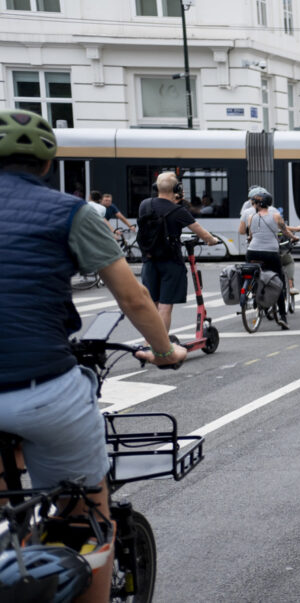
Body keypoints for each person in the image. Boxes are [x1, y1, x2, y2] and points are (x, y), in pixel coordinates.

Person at [0, 109, 186, 603]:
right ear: (48, 164)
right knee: (84, 514)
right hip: (42, 387)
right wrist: (164, 351)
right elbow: (133, 298)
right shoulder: (72, 212)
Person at [138, 172, 218, 330]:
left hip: (149, 259)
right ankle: (162, 343)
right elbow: (201, 232)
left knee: (152, 304)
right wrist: (211, 240)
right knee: (165, 307)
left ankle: (150, 340)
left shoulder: (145, 205)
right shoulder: (178, 211)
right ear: (177, 189)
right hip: (171, 262)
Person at [239, 191, 298, 328]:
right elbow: (285, 231)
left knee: (255, 275)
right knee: (278, 282)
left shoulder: (251, 217)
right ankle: (282, 316)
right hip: (270, 253)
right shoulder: (275, 216)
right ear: (269, 204)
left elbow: (250, 236)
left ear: (258, 204)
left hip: (252, 252)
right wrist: (294, 237)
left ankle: (256, 295)